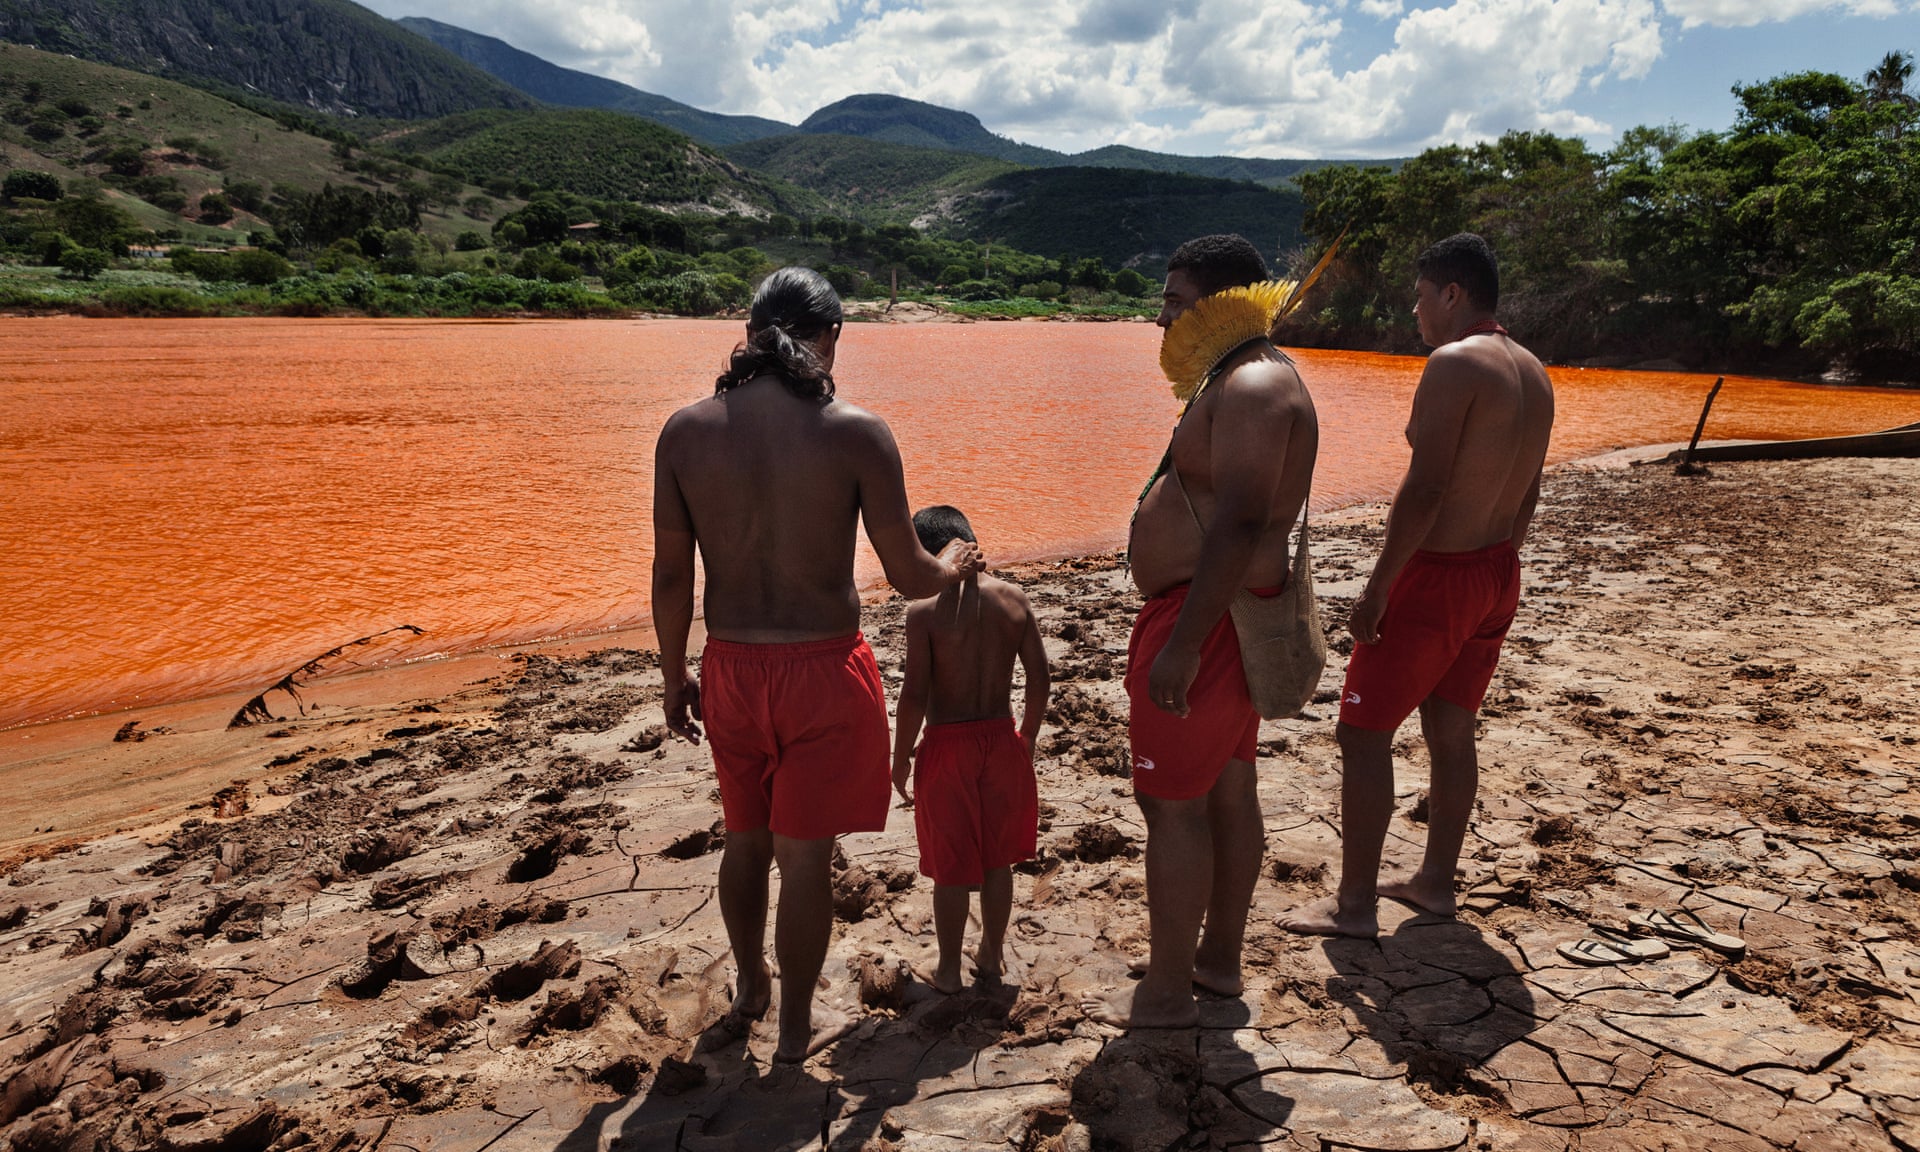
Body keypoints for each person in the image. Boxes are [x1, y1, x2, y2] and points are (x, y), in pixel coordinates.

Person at [651, 267, 986, 1062]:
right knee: (805, 857)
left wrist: (673, 675)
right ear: (829, 335)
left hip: (731, 667)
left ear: (750, 330)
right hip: (823, 672)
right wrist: (958, 565)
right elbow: (909, 574)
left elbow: (671, 576)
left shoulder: (685, 432)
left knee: (745, 839)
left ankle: (750, 989)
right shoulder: (856, 431)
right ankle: (796, 1028)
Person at [1279, 233, 1555, 939]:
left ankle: (1355, 906)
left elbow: (1426, 486)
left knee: (1361, 731)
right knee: (1451, 727)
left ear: (1452, 294)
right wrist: (1498, 569)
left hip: (1439, 575)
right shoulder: (1534, 371)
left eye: (1421, 295)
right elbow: (1526, 490)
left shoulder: (1454, 363)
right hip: (1496, 568)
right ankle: (1434, 882)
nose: (1414, 309)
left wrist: (1379, 586)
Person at [1085, 234, 1319, 1029]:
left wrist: (1184, 642)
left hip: (1207, 623)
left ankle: (1167, 988)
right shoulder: (1243, 378)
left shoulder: (1253, 383)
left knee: (1170, 806)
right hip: (1215, 616)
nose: (1162, 318)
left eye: (1175, 300)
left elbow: (1246, 518)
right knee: (1226, 790)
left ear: (1221, 301)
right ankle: (1215, 964)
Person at [891, 505, 1050, 994]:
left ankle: (947, 970)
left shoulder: (923, 612)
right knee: (997, 859)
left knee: (951, 866)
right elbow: (1040, 677)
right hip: (1002, 738)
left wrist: (900, 758)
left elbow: (914, 693)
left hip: (948, 746)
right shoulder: (1013, 599)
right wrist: (1027, 735)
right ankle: (992, 954)